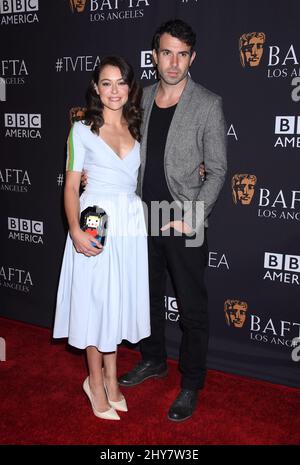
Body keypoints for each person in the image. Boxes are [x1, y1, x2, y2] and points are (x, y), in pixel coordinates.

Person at [82, 19, 227, 422]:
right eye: (167, 52)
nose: (174, 62)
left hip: (183, 220)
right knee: (145, 298)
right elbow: (115, 145)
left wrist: (193, 217)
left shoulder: (208, 104)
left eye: (182, 54)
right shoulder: (138, 99)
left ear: (192, 58)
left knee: (193, 307)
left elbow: (216, 170)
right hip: (138, 218)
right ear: (155, 56)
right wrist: (93, 170)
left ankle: (191, 383)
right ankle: (153, 360)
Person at [53, 56, 150, 421]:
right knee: (95, 303)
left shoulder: (138, 127)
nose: (114, 90)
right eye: (106, 83)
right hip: (95, 224)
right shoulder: (81, 129)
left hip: (128, 224)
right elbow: (71, 186)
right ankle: (94, 382)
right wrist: (75, 230)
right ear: (96, 88)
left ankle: (113, 379)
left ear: (130, 87)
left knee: (115, 303)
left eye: (120, 82)